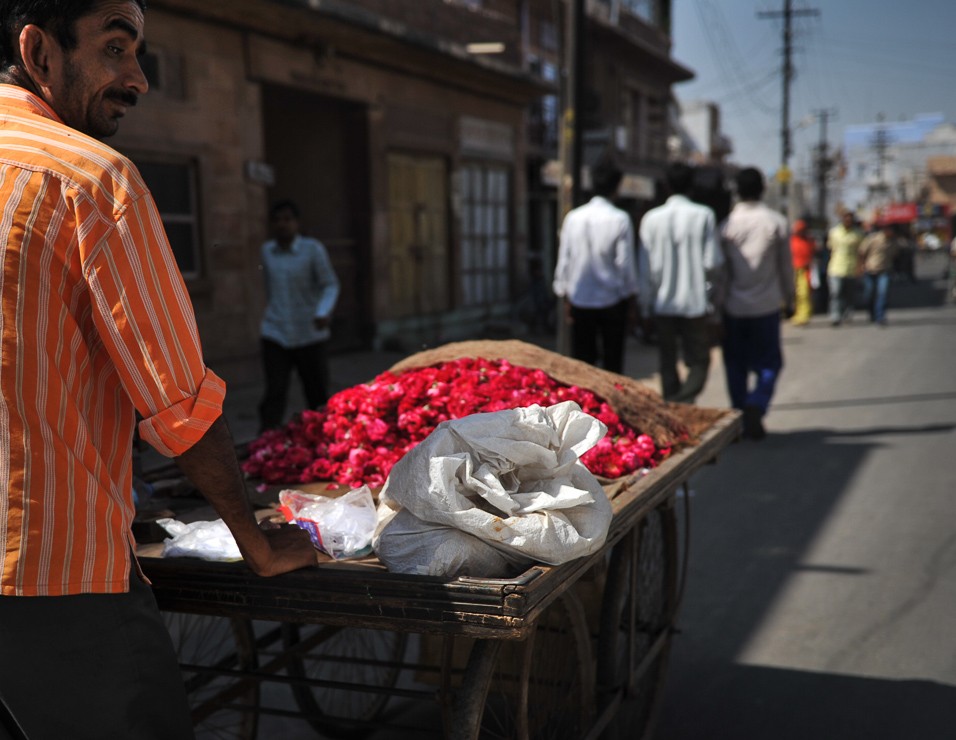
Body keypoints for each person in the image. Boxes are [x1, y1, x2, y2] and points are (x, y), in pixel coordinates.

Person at [0, 2, 317, 738]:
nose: (137, 79)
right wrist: (258, 541)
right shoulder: (92, 181)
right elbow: (180, 402)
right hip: (52, 578)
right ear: (39, 51)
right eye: (115, 49)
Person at [637, 161, 724, 403]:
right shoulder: (703, 215)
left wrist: (645, 304)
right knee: (700, 360)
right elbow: (712, 263)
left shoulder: (651, 219)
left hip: (663, 303)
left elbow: (645, 268)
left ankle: (675, 405)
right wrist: (708, 296)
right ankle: (683, 401)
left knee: (667, 360)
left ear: (666, 186)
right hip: (694, 303)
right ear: (692, 186)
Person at [719, 168, 794, 440]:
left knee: (735, 364)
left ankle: (740, 414)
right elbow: (786, 266)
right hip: (766, 307)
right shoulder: (775, 222)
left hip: (734, 309)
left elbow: (721, 273)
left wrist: (716, 309)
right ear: (762, 189)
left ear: (737, 191)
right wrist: (791, 298)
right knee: (770, 363)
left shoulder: (727, 226)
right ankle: (757, 402)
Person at [258, 199, 340, 432]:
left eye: (287, 219)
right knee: (275, 391)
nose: (282, 225)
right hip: (276, 330)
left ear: (296, 222)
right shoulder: (267, 252)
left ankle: (322, 439)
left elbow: (330, 284)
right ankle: (266, 442)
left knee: (316, 392)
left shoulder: (312, 249)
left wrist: (323, 311)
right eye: (277, 220)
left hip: (309, 332)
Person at [552, 160, 639, 374]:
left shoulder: (574, 218)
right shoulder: (620, 219)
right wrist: (631, 297)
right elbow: (625, 264)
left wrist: (564, 294)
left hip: (581, 299)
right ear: (616, 187)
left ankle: (584, 407)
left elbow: (565, 259)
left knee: (583, 365)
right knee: (612, 365)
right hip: (612, 301)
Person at [826, 209, 864, 326]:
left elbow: (861, 252)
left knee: (849, 294)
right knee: (836, 292)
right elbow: (830, 248)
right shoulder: (834, 233)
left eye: (850, 218)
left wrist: (860, 267)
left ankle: (847, 313)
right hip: (836, 268)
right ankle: (835, 316)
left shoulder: (858, 234)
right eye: (845, 218)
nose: (848, 220)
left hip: (851, 268)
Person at [858, 223, 899, 325]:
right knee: (869, 294)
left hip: (884, 271)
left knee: (883, 293)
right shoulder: (873, 238)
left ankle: (880, 316)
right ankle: (872, 313)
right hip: (870, 270)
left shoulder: (894, 242)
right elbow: (862, 252)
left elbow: (895, 256)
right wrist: (861, 265)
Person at [789, 218, 817, 326]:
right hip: (793, 269)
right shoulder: (792, 240)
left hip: (804, 270)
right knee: (795, 294)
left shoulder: (809, 241)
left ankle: (804, 315)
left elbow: (812, 253)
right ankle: (797, 314)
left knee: (804, 293)